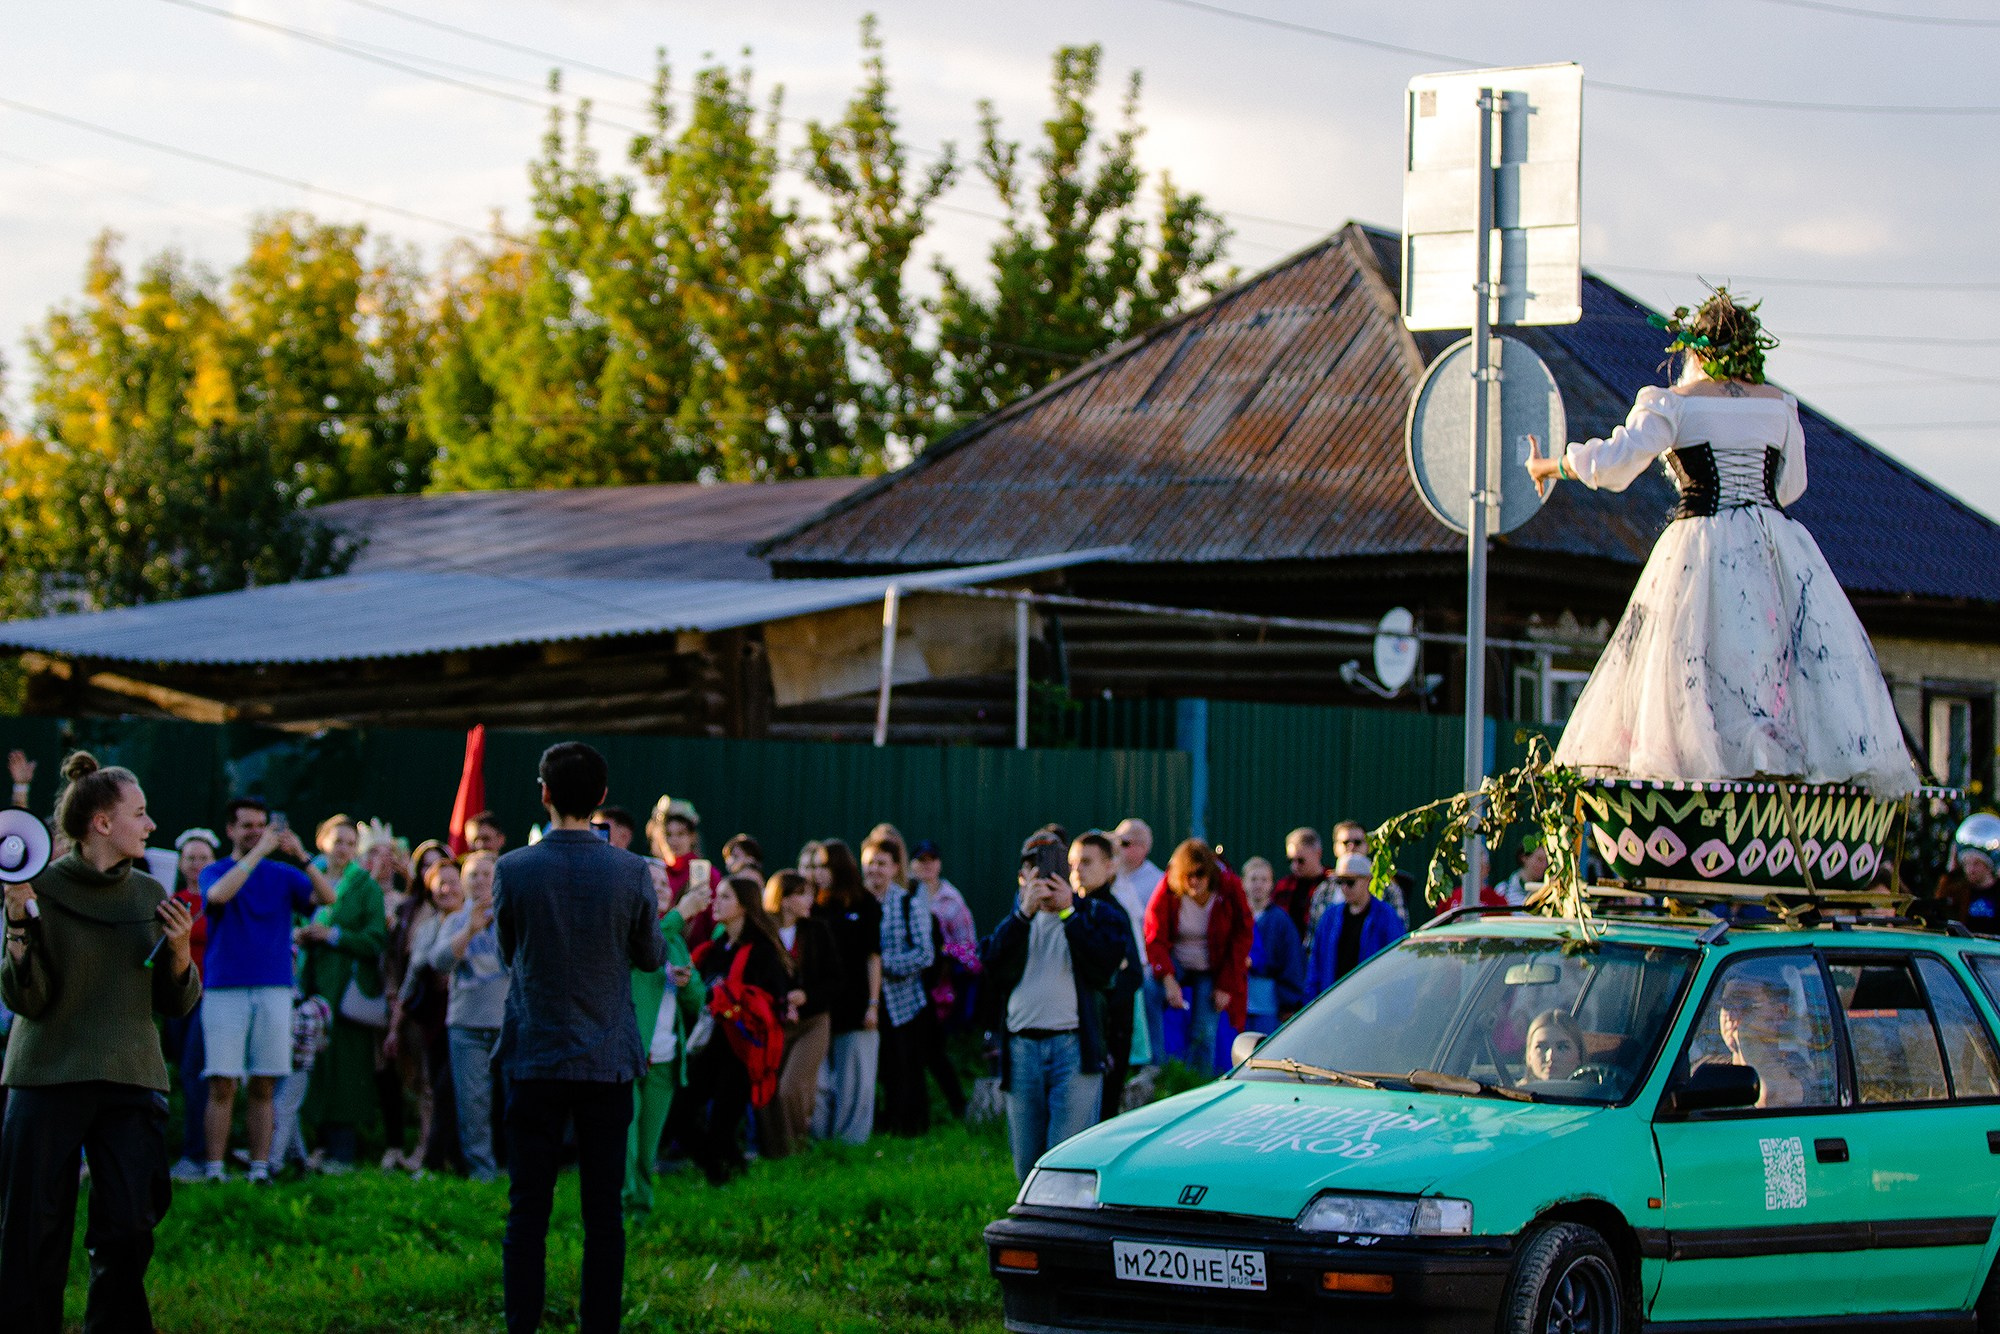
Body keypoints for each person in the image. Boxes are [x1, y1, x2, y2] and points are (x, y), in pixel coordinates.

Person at [1525, 288, 1916, 799]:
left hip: (1701, 541)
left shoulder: (1672, 403)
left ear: (1696, 348)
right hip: (1772, 543)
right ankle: (1769, 763)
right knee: (1771, 656)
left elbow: (1616, 463)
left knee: (1690, 656)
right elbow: (1791, 486)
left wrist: (1551, 465)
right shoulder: (1779, 405)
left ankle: (1705, 778)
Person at [0, 751, 199, 1334]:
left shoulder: (150, 893)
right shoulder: (37, 885)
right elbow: (28, 1000)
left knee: (129, 1225)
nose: (152, 824)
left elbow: (176, 1004)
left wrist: (180, 954)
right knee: (32, 1228)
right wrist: (18, 925)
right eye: (140, 814)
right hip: (46, 1074)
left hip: (130, 1076)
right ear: (102, 823)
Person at [496, 741, 663, 1334]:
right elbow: (650, 956)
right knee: (604, 1216)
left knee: (527, 1210)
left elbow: (508, 951)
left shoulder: (513, 868)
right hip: (606, 1060)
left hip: (535, 1055)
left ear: (544, 793)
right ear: (601, 797)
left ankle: (521, 1326)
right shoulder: (631, 871)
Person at [199, 798, 336, 1184]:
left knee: (265, 1081)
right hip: (224, 988)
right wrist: (259, 852)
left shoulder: (282, 874)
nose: (256, 832)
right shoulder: (215, 870)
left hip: (275, 988)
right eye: (247, 825)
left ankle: (260, 1168)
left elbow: (328, 898)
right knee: (222, 1081)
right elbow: (218, 896)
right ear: (230, 830)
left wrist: (303, 857)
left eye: (261, 825)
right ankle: (214, 1169)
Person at [982, 829, 1128, 1181]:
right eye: (1033, 870)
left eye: (1052, 869)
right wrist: (1023, 915)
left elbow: (1105, 966)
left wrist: (1068, 913)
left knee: (1067, 1161)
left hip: (1073, 1049)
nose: (1043, 879)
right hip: (1022, 1049)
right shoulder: (1016, 921)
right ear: (1022, 877)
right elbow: (990, 966)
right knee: (1027, 1165)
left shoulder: (1093, 913)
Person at [667, 874, 791, 1183]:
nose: (716, 902)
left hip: (743, 1050)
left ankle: (727, 1179)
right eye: (717, 895)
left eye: (725, 897)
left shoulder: (762, 950)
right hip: (713, 1044)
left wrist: (732, 998)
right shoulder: (715, 949)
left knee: (722, 1125)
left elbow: (773, 999)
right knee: (679, 1113)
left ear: (744, 906)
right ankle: (722, 1172)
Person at [624, 872, 706, 1212]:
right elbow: (643, 948)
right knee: (624, 1145)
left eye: (664, 884)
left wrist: (685, 983)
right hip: (629, 1058)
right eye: (651, 882)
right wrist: (681, 914)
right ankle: (618, 1213)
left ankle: (641, 1213)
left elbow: (697, 1001)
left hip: (665, 1057)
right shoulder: (625, 931)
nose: (659, 889)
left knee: (647, 1146)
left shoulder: (675, 943)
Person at [1142, 839, 1253, 1076]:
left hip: (1213, 967)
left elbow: (1242, 936)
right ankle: (1155, 1065)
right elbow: (1154, 936)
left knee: (1204, 1031)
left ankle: (1196, 1080)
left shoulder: (1229, 887)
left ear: (1210, 874)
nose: (1194, 881)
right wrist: (1168, 980)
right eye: (1188, 876)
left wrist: (1226, 986)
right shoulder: (1168, 889)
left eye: (1200, 874)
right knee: (1149, 986)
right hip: (1178, 962)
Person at [434, 848, 512, 1183]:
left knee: (516, 1102)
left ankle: (518, 1169)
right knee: (473, 1103)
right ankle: (482, 1172)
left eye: (486, 874)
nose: (479, 881)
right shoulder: (455, 920)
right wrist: (470, 929)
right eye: (472, 875)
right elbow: (438, 962)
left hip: (510, 1025)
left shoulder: (513, 917)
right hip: (466, 1025)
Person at [1068, 832, 1144, 1119]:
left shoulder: (1113, 913)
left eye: (1087, 862)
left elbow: (1132, 974)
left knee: (1102, 1113)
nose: (1078, 870)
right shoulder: (1068, 909)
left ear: (1110, 866)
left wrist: (1100, 1004)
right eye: (1073, 864)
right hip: (1074, 1031)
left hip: (1109, 1031)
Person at [761, 870, 837, 1159]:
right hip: (776, 1022)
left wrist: (807, 996)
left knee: (791, 1087)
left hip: (813, 1021)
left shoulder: (817, 930)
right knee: (769, 1087)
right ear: (784, 898)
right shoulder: (764, 933)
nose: (810, 901)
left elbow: (835, 978)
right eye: (802, 894)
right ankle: (776, 1153)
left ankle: (797, 1149)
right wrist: (781, 1001)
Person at [810, 839, 881, 1145]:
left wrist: (873, 1004)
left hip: (855, 1003)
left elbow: (873, 957)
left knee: (855, 1077)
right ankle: (819, 1137)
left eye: (823, 866)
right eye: (815, 867)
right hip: (821, 1003)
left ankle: (850, 1142)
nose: (818, 873)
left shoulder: (865, 903)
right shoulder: (814, 906)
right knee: (820, 1078)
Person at [397, 856, 464, 1174]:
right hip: (433, 1019)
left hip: (468, 1015)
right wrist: (395, 1025)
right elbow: (411, 979)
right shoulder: (426, 929)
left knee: (451, 1087)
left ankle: (439, 1159)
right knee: (434, 1087)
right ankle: (444, 1156)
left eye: (453, 882)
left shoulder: (478, 921)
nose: (447, 889)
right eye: (441, 884)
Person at [867, 835, 934, 1136]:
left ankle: (909, 1126)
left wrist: (882, 965)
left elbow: (925, 954)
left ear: (895, 868)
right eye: (870, 863)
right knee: (877, 1066)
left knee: (904, 1067)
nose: (875, 870)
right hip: (867, 1000)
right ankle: (879, 1122)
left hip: (903, 1002)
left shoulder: (908, 903)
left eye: (882, 864)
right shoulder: (858, 902)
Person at [164, 827, 218, 1183]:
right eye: (191, 858)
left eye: (203, 858)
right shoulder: (173, 901)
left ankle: (196, 1154)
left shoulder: (221, 899)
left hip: (210, 996)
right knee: (180, 1070)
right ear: (181, 863)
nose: (197, 864)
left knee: (194, 1071)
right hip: (178, 995)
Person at [908, 839, 974, 1118]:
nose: (926, 865)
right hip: (909, 982)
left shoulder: (951, 900)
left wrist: (943, 951)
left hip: (938, 985)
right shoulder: (905, 893)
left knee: (933, 1048)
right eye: (920, 860)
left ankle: (955, 1105)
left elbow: (969, 950)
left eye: (931, 859)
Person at [1306, 853, 1408, 996]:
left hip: (1371, 1001)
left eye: (1350, 882)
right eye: (1339, 882)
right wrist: (1312, 999)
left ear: (1368, 880)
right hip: (1334, 1001)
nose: (1344, 888)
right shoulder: (1330, 917)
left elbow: (1397, 963)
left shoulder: (1385, 916)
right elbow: (1315, 964)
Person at [1110, 818, 1165, 1063]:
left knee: (1148, 992)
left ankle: (1153, 1063)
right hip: (1111, 956)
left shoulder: (1156, 881)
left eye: (1125, 843)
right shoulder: (1109, 872)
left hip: (1142, 960)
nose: (1117, 847)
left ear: (1143, 848)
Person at [1241, 856, 1307, 1036]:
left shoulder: (1281, 921)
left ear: (1271, 884)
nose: (1258, 885)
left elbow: (1292, 962)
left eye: (1264, 880)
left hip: (1268, 1003)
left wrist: (1289, 1002)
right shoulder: (1236, 917)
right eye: (1253, 879)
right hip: (1238, 1000)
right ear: (1243, 883)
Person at [649, 798, 719, 942]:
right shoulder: (657, 872)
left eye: (681, 834)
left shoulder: (707, 874)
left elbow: (716, 923)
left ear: (692, 837)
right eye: (668, 834)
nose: (673, 841)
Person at [1272, 828, 1328, 941]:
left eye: (1301, 861)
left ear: (1318, 854)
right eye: (1290, 860)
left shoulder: (1332, 884)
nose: (1294, 866)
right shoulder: (1284, 886)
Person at [1521, 1009, 1585, 1085]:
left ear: (1579, 1055)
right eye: (1541, 1047)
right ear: (1529, 1055)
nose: (1550, 1057)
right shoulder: (1512, 1091)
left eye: (1562, 1047)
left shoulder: (1594, 1091)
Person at [1496, 837, 1549, 908]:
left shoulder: (1548, 893)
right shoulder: (1503, 890)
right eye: (1539, 859)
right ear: (1524, 858)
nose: (1544, 865)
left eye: (1546, 861)